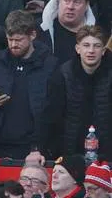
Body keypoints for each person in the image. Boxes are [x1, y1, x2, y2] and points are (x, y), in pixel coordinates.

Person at [43, 25, 112, 159]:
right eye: (86, 45)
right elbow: (50, 115)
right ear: (78, 49)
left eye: (96, 46)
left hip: (107, 154)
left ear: (103, 51)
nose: (91, 50)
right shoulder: (62, 74)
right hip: (69, 151)